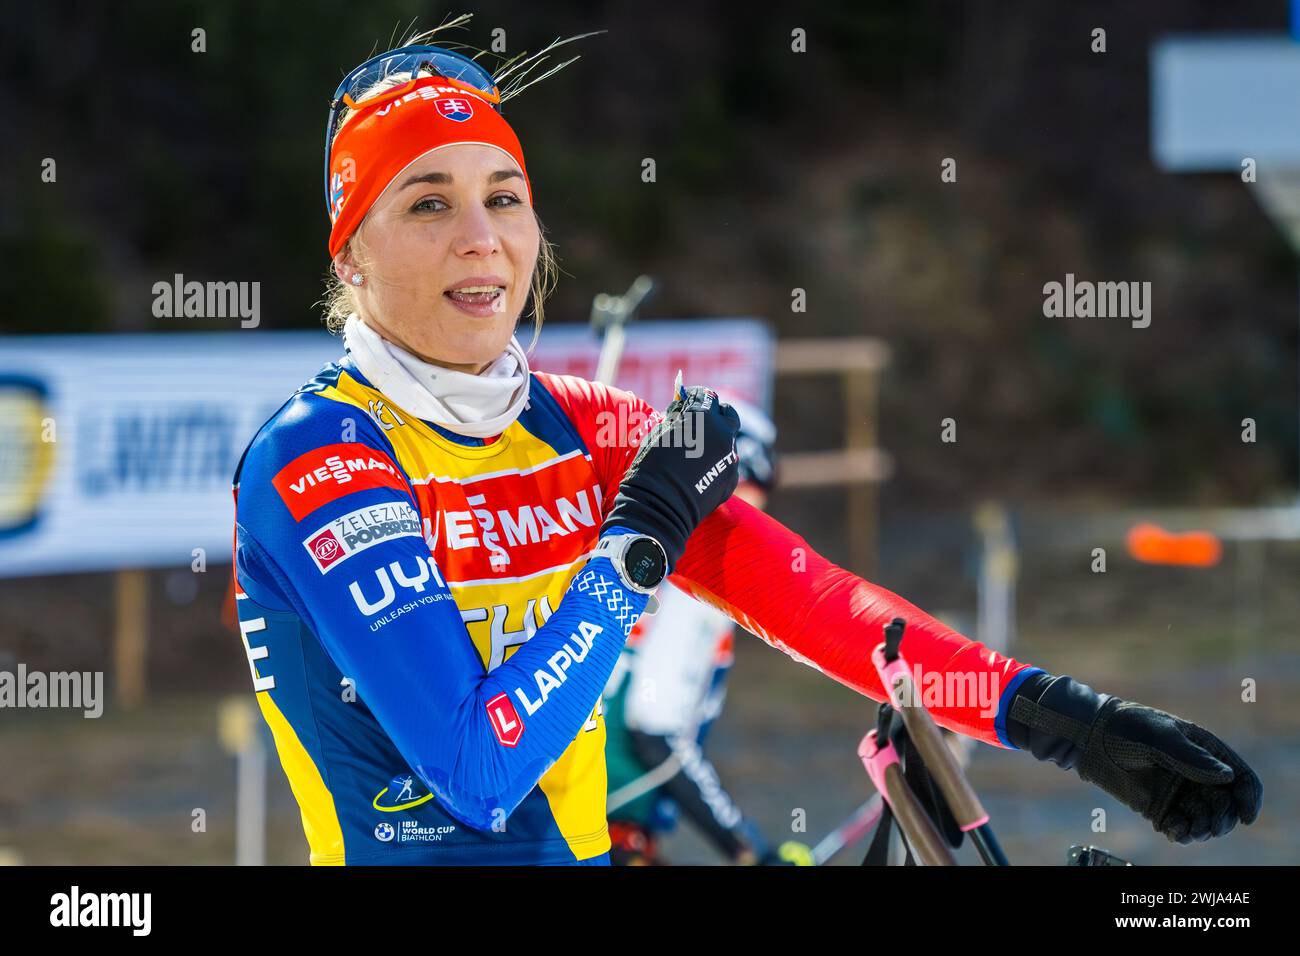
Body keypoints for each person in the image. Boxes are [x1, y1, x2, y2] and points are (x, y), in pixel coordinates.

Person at [230, 24, 1262, 865]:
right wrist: (635, 545)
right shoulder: (320, 453)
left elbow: (811, 600)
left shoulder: (583, 426)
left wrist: (1057, 717)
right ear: (351, 254)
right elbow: (475, 765)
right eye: (426, 203)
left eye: (504, 197)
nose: (480, 237)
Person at [603, 396, 790, 865]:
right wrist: (748, 850)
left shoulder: (646, 535)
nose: (751, 521)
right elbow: (655, 730)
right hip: (603, 826)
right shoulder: (704, 573)